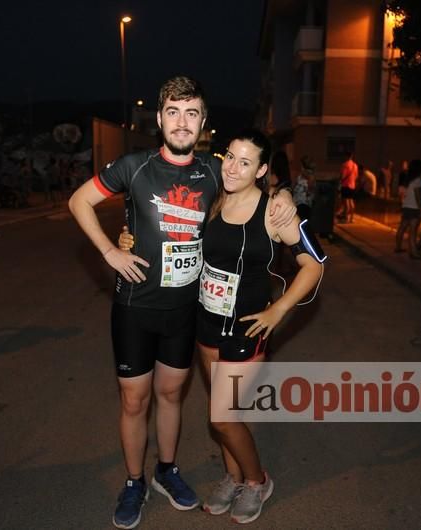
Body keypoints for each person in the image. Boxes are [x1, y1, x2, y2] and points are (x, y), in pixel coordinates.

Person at [68, 75, 296, 529]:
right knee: (135, 402)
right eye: (173, 112)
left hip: (186, 311)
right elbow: (79, 201)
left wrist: (284, 194)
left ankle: (166, 472)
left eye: (192, 113)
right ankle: (134, 481)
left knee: (172, 395)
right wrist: (111, 252)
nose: (182, 121)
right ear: (159, 118)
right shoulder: (133, 165)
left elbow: (257, 182)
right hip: (135, 306)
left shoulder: (215, 169)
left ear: (203, 121)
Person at [119, 129, 323, 524]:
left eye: (245, 162)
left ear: (262, 169)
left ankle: (257, 480)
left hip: (247, 328)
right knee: (223, 407)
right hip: (206, 323)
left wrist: (277, 311)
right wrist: (127, 238)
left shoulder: (274, 211)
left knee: (222, 417)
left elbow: (314, 265)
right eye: (230, 156)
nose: (232, 167)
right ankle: (232, 477)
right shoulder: (212, 199)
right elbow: (164, 226)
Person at [394, 159, 421, 258]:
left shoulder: (407, 180)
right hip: (414, 208)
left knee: (402, 228)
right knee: (413, 231)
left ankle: (398, 247)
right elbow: (418, 197)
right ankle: (414, 253)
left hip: (406, 206)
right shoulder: (418, 181)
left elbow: (401, 193)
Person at [337, 152, 358, 223]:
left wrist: (339, 180)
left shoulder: (345, 165)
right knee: (351, 201)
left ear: (346, 156)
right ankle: (351, 218)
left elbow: (342, 176)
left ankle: (346, 218)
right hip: (353, 185)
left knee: (346, 202)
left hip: (346, 185)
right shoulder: (355, 165)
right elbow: (356, 176)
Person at [292, 156, 315, 220]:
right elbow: (294, 186)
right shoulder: (300, 175)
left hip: (304, 203)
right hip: (297, 202)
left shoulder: (310, 176)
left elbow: (310, 188)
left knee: (302, 221)